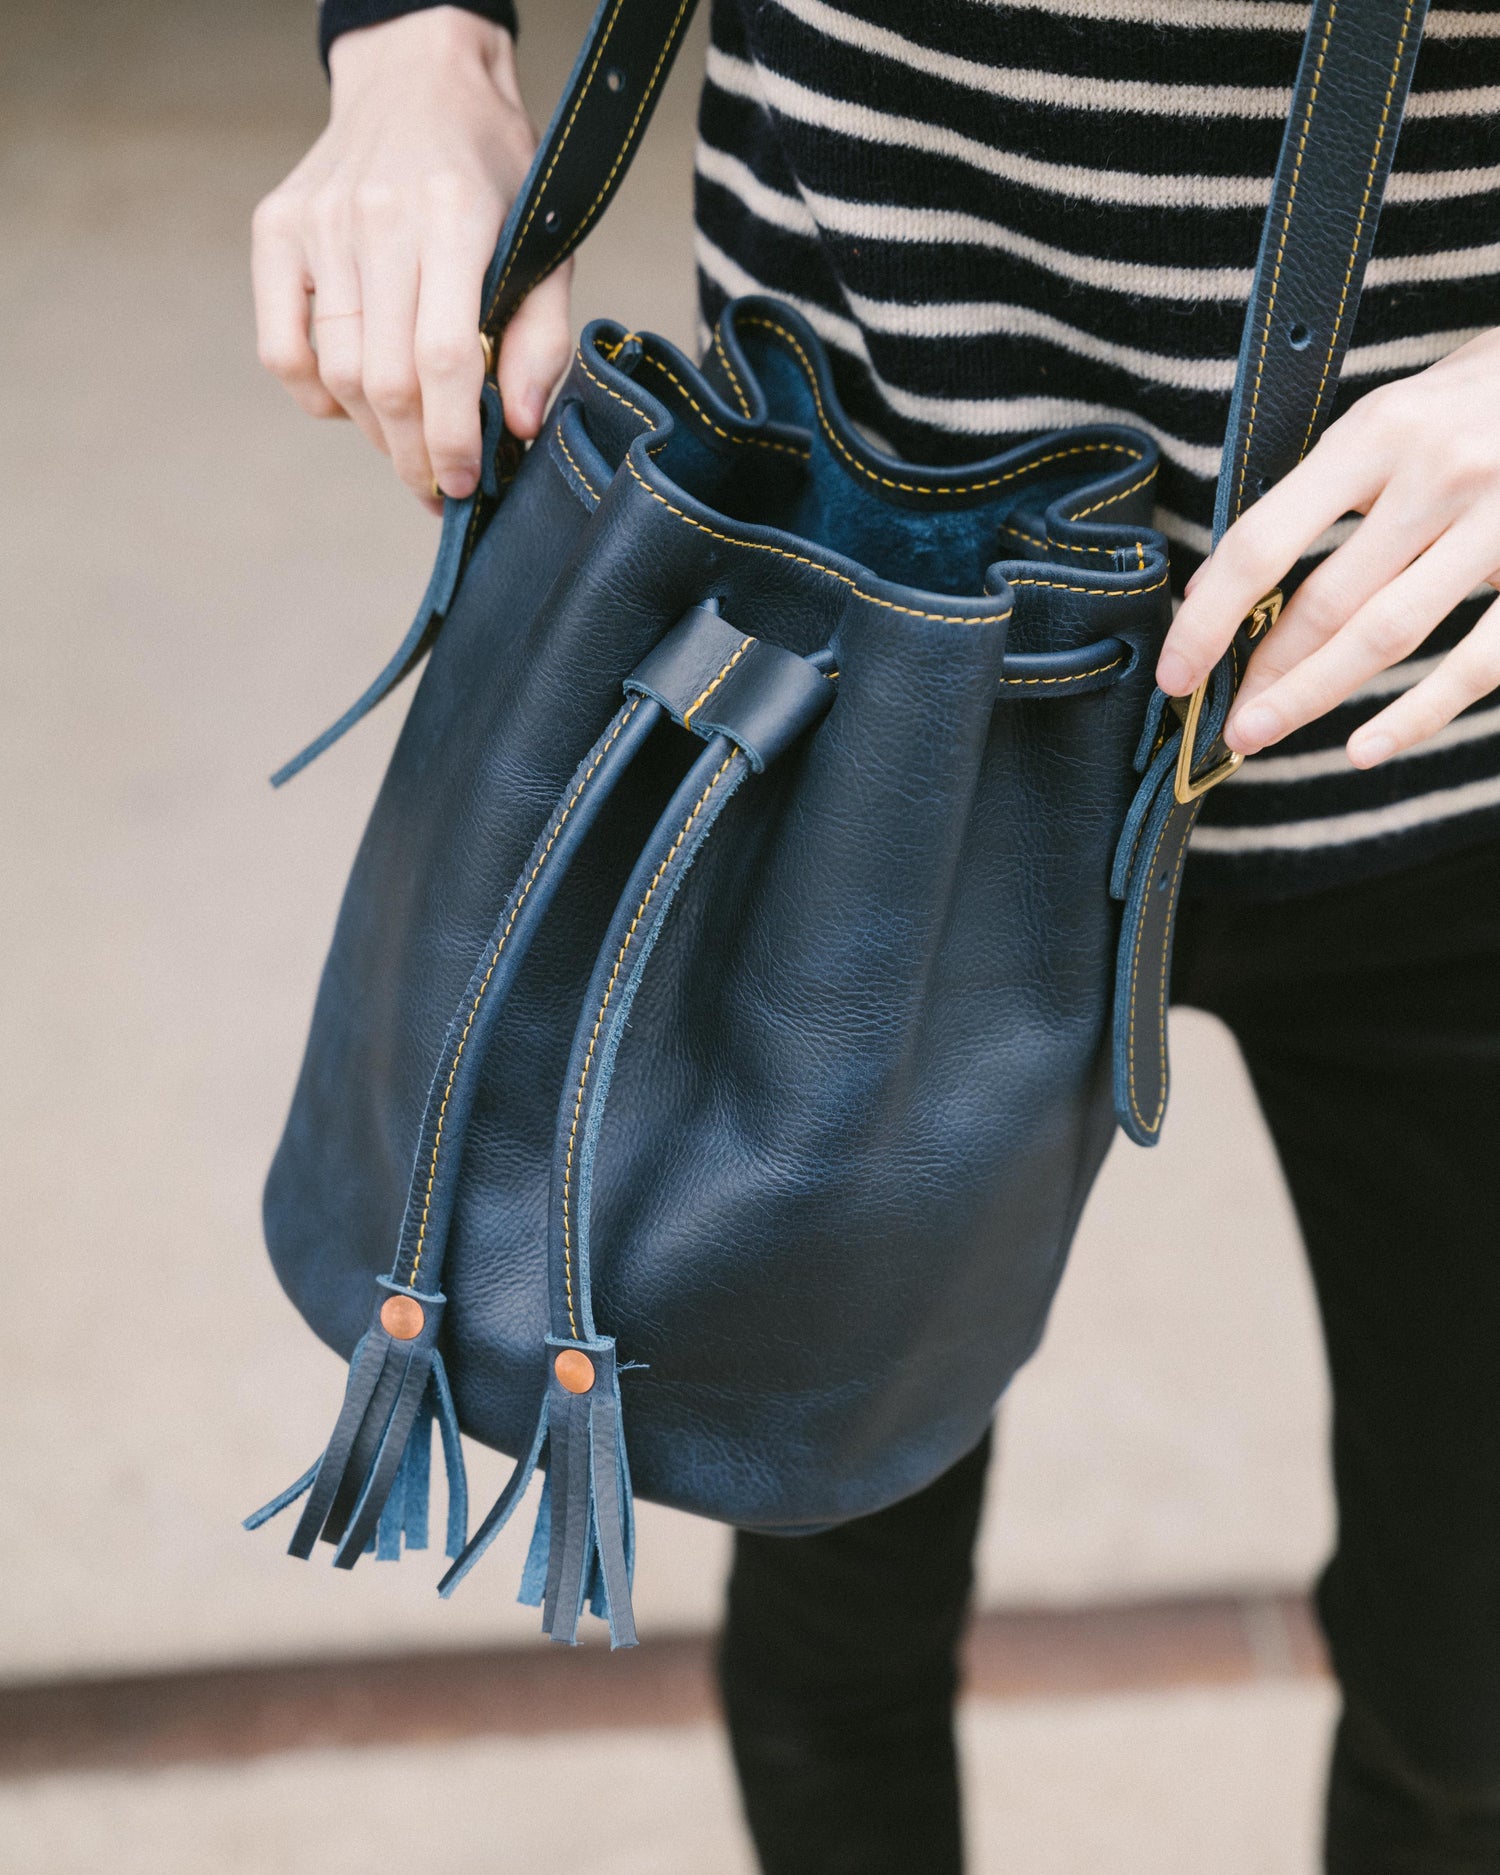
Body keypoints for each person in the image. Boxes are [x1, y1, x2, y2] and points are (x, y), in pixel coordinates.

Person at [251, 4, 1500, 1869]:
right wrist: (420, 50)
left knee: (1469, 1688)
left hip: (1442, 753)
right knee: (831, 1582)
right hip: (859, 681)